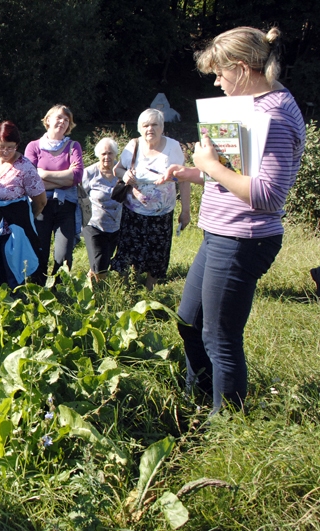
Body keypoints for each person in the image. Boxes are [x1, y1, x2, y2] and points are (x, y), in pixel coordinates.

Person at [161, 27, 305, 413]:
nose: (217, 82)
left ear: (242, 68)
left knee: (219, 337)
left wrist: (208, 164)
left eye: (219, 74)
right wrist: (193, 172)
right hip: (220, 232)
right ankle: (199, 397)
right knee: (190, 321)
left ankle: (226, 423)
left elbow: (268, 195)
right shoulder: (256, 105)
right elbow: (240, 169)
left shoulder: (272, 115)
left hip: (244, 237)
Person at [110, 108, 191, 290]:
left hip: (162, 213)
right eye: (145, 125)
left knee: (157, 252)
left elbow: (184, 180)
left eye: (155, 124)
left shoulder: (173, 147)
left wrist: (186, 211)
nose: (150, 129)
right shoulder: (133, 145)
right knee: (128, 250)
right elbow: (118, 169)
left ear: (162, 127)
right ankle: (125, 288)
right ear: (140, 128)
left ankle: (149, 291)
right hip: (134, 210)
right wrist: (125, 177)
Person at [0, 121, 47, 288]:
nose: (5, 152)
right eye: (1, 147)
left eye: (10, 147)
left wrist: (24, 219)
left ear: (17, 145)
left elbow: (41, 201)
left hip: (14, 228)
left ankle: (19, 304)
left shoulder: (25, 167)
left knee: (14, 270)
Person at [25, 105, 84, 279]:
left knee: (63, 255)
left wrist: (44, 174)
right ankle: (38, 291)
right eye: (59, 117)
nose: (63, 122)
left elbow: (77, 176)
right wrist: (65, 178)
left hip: (66, 207)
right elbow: (31, 180)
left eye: (67, 120)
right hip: (41, 205)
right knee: (39, 250)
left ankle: (58, 291)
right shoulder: (34, 147)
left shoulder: (73, 146)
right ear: (48, 120)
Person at [80, 138, 122, 280]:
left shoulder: (120, 172)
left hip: (116, 225)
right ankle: (99, 295)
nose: (107, 157)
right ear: (98, 154)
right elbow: (79, 197)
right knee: (99, 263)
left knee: (104, 260)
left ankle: (90, 282)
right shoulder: (89, 173)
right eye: (103, 153)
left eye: (110, 153)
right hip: (94, 225)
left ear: (115, 154)